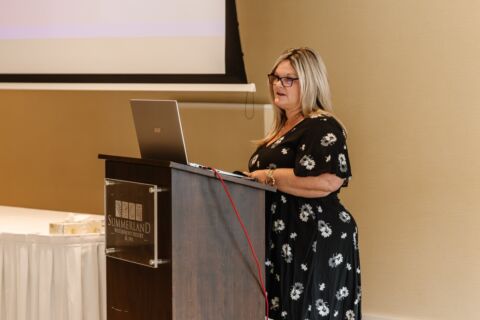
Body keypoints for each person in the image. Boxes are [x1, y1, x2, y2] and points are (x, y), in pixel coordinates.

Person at [246, 47, 361, 320]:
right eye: (275, 77)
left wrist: (266, 177)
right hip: (284, 238)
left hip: (315, 238)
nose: (278, 84)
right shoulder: (282, 128)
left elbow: (328, 180)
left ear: (309, 83)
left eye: (289, 79)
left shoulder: (322, 125)